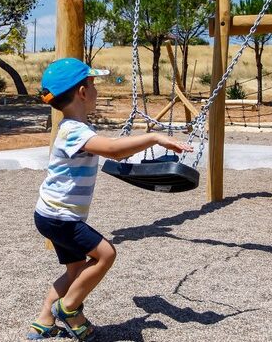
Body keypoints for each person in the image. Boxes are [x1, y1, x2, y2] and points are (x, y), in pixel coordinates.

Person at [28, 58, 193, 341]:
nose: (96, 90)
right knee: (106, 254)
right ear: (81, 92)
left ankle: (45, 319)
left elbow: (113, 149)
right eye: (93, 84)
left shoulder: (77, 128)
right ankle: (69, 309)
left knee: (77, 269)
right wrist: (154, 137)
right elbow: (114, 151)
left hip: (53, 215)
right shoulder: (72, 131)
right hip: (60, 217)